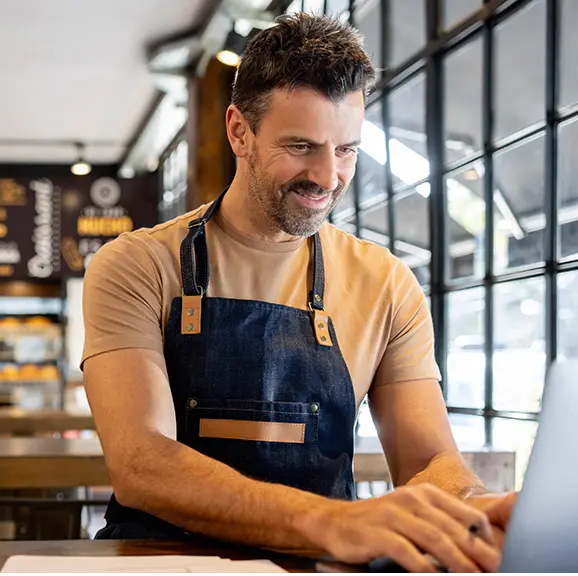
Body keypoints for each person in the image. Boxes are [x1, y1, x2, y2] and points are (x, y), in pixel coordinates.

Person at [81, 12, 516, 574]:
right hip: (160, 561)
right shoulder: (138, 265)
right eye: (302, 146)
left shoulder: (385, 283)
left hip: (324, 563)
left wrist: (477, 511)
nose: (328, 175)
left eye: (347, 150)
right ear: (239, 131)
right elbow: (143, 464)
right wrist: (328, 521)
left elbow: (430, 461)